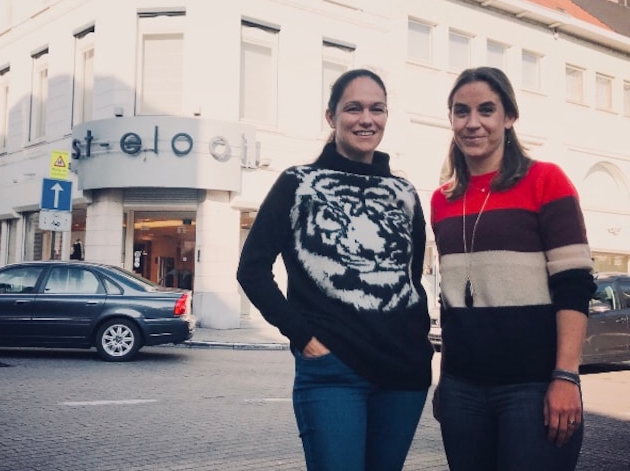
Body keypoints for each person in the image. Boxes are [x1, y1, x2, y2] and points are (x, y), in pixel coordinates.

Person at [237, 69, 433, 471]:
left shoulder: (405, 192)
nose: (367, 119)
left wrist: (420, 347)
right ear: (331, 117)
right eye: (353, 108)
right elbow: (252, 269)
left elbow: (409, 279)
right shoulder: (298, 183)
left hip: (404, 371)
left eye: (377, 109)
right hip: (333, 369)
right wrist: (305, 338)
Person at [430, 67, 596, 471]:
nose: (473, 123)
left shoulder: (546, 180)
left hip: (532, 387)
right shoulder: (441, 200)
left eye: (486, 110)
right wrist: (445, 381)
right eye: (461, 111)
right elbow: (451, 303)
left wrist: (566, 376)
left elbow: (574, 285)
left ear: (509, 117)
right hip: (462, 390)